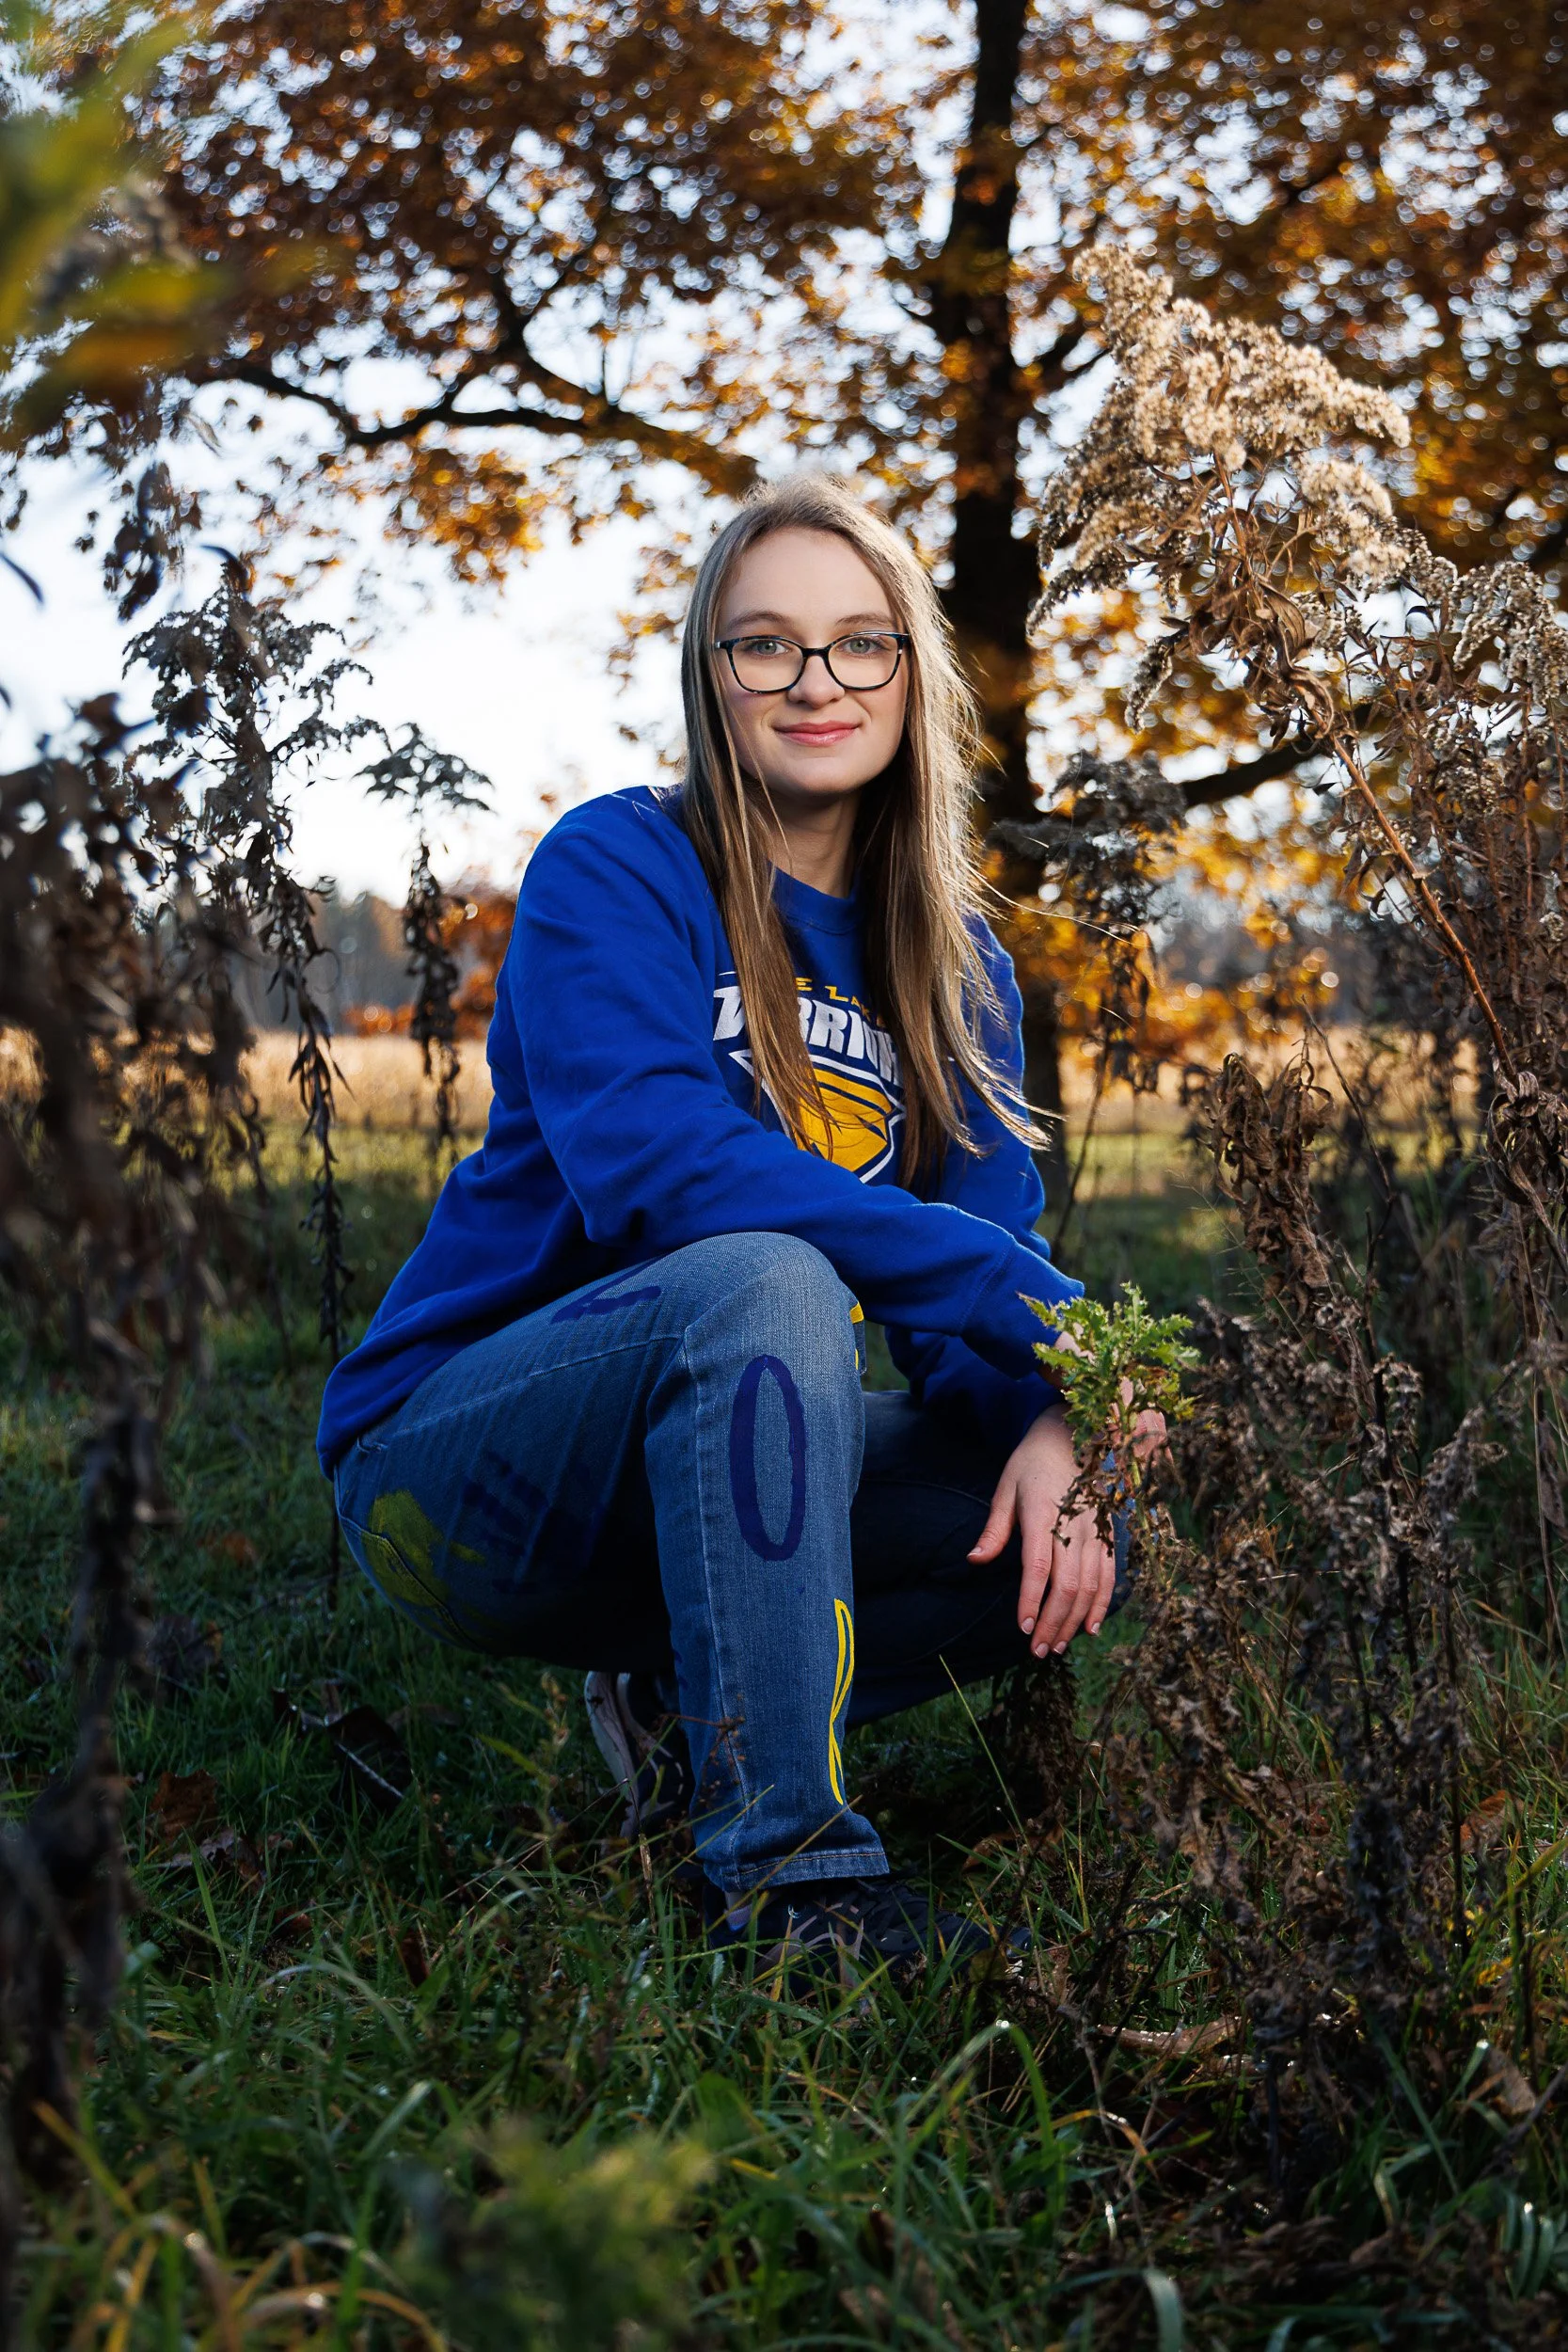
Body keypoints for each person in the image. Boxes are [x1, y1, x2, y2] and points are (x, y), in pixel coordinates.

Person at [318, 474, 1148, 1980]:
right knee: (756, 1275)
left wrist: (1048, 1407)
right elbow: (658, 1172)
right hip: (460, 1479)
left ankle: (674, 1700)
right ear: (712, 677)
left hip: (718, 1477)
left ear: (914, 672)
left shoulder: (956, 968)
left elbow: (972, 1268)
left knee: (1096, 1510)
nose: (815, 681)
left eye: (859, 643)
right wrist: (1013, 1300)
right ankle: (792, 1888)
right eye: (764, 645)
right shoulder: (618, 867)